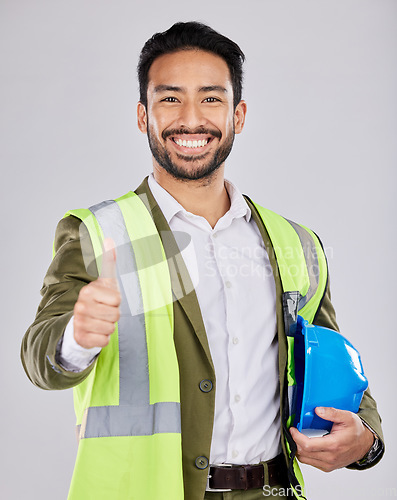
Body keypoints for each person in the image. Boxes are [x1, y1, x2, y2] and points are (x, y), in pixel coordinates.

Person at [21, 21, 384, 500]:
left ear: (239, 114)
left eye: (211, 98)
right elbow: (40, 359)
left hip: (273, 491)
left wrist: (367, 441)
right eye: (170, 98)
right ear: (141, 114)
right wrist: (77, 337)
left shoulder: (296, 243)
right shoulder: (99, 234)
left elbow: (333, 361)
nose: (191, 119)